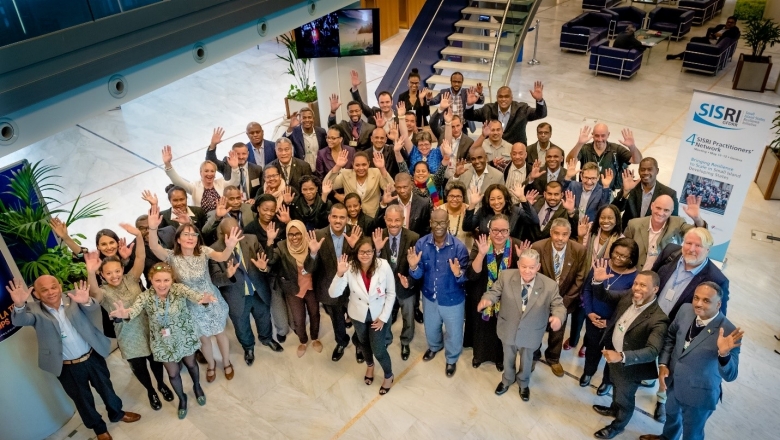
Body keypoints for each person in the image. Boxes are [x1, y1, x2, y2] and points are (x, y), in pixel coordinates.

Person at [8, 277, 142, 439]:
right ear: (36, 293)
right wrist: (19, 305)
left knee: (107, 388)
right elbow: (19, 320)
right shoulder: (33, 310)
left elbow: (93, 310)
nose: (51, 292)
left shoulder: (73, 297)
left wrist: (86, 302)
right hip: (67, 367)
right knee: (82, 400)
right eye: (44, 290)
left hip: (92, 357)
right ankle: (99, 429)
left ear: (59, 286)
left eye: (53, 287)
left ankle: (117, 413)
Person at [108, 263, 216, 420]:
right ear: (151, 279)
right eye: (158, 280)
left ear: (172, 279)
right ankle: (182, 399)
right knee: (173, 374)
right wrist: (125, 314)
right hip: (163, 343)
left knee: (192, 365)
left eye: (166, 280)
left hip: (184, 337)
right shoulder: (145, 297)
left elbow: (196, 296)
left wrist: (203, 299)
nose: (162, 284)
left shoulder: (179, 290)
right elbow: (135, 309)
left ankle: (197, 387)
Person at [84, 224, 172, 411]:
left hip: (148, 326)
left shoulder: (132, 277)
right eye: (108, 273)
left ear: (122, 269)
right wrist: (90, 272)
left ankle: (161, 384)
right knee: (139, 366)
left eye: (117, 271)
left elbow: (140, 257)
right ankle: (150, 391)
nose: (114, 276)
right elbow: (93, 293)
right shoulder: (103, 292)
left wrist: (139, 236)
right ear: (102, 274)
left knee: (156, 360)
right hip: (127, 335)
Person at [639, 283, 742, 440]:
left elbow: (731, 375)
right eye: (696, 298)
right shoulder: (686, 310)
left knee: (692, 433)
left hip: (699, 394)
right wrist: (663, 363)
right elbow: (671, 337)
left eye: (706, 300)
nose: (699, 304)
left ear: (718, 304)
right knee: (672, 417)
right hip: (673, 383)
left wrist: (724, 354)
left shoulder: (729, 331)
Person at [146, 205, 236, 383]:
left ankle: (226, 362)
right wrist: (152, 228)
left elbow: (222, 257)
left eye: (193, 234)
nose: (190, 237)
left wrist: (230, 247)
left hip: (211, 300)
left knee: (220, 333)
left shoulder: (203, 252)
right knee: (204, 339)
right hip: (191, 305)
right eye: (185, 234)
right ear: (178, 239)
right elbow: (154, 246)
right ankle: (211, 364)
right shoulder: (172, 257)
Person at [589, 265, 670, 440]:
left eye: (643, 286)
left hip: (630, 367)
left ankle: (617, 426)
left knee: (625, 399)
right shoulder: (629, 296)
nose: (637, 288)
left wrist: (622, 356)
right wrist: (598, 282)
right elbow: (604, 296)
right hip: (613, 357)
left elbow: (652, 351)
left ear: (655, 289)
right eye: (636, 284)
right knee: (616, 389)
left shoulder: (659, 319)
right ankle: (613, 408)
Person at [478, 248, 566, 401]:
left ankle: (523, 384)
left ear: (538, 267)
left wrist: (558, 317)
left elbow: (558, 306)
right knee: (508, 357)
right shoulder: (506, 276)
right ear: (518, 264)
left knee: (527, 361)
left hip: (532, 331)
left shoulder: (550, 285)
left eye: (531, 267)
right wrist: (488, 299)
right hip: (508, 328)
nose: (527, 271)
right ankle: (507, 380)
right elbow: (494, 291)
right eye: (524, 266)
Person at [208, 217, 282, 367]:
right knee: (242, 326)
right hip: (236, 296)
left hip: (258, 291)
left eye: (238, 232)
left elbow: (265, 260)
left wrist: (263, 267)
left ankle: (266, 338)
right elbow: (216, 280)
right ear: (222, 234)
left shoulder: (251, 239)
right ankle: (248, 348)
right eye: (231, 234)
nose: (236, 237)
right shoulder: (214, 250)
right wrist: (227, 275)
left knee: (264, 317)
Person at [330, 237, 396, 395]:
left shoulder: (383, 265)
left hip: (378, 315)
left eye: (369, 251)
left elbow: (391, 293)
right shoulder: (350, 268)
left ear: (374, 252)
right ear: (356, 252)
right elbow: (333, 293)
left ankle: (389, 375)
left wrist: (383, 317)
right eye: (361, 251)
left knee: (379, 349)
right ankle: (370, 366)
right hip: (358, 315)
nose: (365, 255)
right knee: (363, 343)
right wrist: (339, 274)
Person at [408, 209, 470, 377]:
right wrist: (413, 266)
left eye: (442, 222)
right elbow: (418, 274)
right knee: (431, 327)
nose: (438, 226)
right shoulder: (421, 244)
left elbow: (466, 279)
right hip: (429, 296)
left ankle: (451, 358)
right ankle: (435, 347)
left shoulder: (459, 248)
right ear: (430, 223)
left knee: (454, 332)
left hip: (453, 299)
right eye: (435, 222)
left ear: (448, 224)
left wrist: (458, 274)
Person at [466, 215, 527, 370]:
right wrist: (481, 254)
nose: (499, 234)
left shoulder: (517, 246)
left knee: (502, 329)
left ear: (509, 231)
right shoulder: (481, 243)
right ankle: (479, 356)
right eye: (495, 230)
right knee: (482, 328)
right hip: (482, 294)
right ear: (489, 230)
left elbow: (525, 278)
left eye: (504, 231)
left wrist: (522, 260)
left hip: (506, 299)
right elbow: (473, 275)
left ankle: (500, 359)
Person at [579, 238, 639, 394]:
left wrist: (609, 322)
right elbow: (587, 289)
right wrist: (589, 312)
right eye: (616, 253)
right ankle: (588, 372)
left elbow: (629, 307)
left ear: (632, 259)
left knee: (611, 354)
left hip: (615, 325)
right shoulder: (601, 264)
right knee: (592, 349)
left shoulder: (635, 278)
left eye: (623, 256)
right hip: (593, 318)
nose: (617, 258)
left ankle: (607, 381)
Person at [305, 204, 363, 362]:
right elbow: (309, 268)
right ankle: (341, 342)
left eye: (342, 217)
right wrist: (313, 253)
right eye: (335, 216)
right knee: (337, 319)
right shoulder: (317, 235)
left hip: (352, 288)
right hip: (329, 288)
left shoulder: (356, 233)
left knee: (357, 318)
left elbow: (364, 261)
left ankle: (359, 343)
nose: (338, 220)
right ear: (329, 217)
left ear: (347, 218)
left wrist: (353, 247)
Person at [530, 218, 588, 377]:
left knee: (558, 331)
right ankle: (533, 355)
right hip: (539, 300)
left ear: (570, 234)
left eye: (564, 234)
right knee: (536, 329)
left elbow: (580, 278)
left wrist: (565, 301)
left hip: (564, 300)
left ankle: (553, 358)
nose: (560, 238)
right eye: (556, 233)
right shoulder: (538, 247)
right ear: (551, 233)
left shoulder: (579, 250)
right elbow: (532, 275)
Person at [263, 220, 323, 357]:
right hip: (293, 289)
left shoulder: (311, 244)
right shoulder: (281, 246)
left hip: (312, 287)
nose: (294, 238)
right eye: (291, 234)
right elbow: (271, 260)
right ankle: (303, 341)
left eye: (298, 234)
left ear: (303, 233)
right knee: (298, 318)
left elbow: (314, 268)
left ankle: (315, 338)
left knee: (314, 314)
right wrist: (270, 241)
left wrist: (313, 253)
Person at [372, 205, 420, 360]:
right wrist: (377, 251)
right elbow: (370, 264)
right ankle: (386, 339)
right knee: (385, 316)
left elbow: (417, 266)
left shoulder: (414, 237)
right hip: (384, 289)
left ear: (403, 220)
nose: (393, 224)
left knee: (408, 316)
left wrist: (410, 281)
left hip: (405, 287)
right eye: (390, 220)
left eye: (397, 220)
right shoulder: (378, 236)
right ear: (385, 220)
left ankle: (405, 341)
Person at [623, 194, 706, 270]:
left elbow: (698, 235)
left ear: (671, 211)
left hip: (659, 277)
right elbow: (623, 248)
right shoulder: (634, 224)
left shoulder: (678, 223)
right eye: (658, 208)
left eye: (666, 210)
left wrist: (697, 219)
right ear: (652, 206)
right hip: (632, 273)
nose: (660, 213)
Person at [464, 82, 547, 145]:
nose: (503, 99)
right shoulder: (488, 109)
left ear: (511, 98)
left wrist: (539, 100)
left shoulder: (522, 109)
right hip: (492, 150)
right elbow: (469, 116)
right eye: (500, 96)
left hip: (515, 152)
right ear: (496, 98)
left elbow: (541, 114)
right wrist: (470, 105)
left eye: (506, 96)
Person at [163, 145, 240, 213]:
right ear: (201, 173)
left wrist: (235, 168)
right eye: (206, 171)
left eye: (212, 171)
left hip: (222, 219)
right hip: (202, 223)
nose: (209, 174)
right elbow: (178, 182)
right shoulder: (195, 187)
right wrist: (168, 165)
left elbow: (235, 183)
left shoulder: (221, 183)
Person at [566, 124, 642, 191]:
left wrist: (632, 147)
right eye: (596, 136)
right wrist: (579, 144)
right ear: (592, 135)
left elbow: (637, 160)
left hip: (607, 191)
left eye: (603, 136)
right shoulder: (585, 148)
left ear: (608, 135)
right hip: (586, 190)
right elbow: (570, 161)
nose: (600, 139)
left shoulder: (616, 149)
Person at [612, 157, 679, 229]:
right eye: (643, 169)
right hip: (628, 234)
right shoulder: (631, 186)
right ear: (639, 171)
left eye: (650, 169)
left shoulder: (669, 194)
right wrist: (626, 191)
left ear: (657, 171)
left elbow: (673, 221)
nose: (646, 172)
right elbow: (615, 210)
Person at [326, 150, 393, 216]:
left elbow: (392, 188)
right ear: (353, 165)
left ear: (369, 164)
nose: (361, 168)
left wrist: (382, 168)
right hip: (351, 216)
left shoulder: (376, 172)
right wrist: (337, 166)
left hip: (372, 217)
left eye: (364, 165)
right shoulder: (345, 174)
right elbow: (326, 184)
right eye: (357, 165)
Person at [463, 183, 539, 241]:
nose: (496, 202)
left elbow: (534, 220)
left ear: (505, 198)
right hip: (486, 251)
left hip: (510, 251)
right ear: (488, 201)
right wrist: (472, 204)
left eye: (499, 198)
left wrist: (522, 198)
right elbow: (467, 227)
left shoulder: (516, 211)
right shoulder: (483, 211)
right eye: (492, 199)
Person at [206, 129, 264, 199]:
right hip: (231, 204)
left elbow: (261, 189)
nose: (241, 157)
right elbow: (211, 161)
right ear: (232, 153)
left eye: (244, 154)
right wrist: (213, 145)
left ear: (248, 154)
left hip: (250, 205)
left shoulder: (257, 169)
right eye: (238, 154)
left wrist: (254, 199)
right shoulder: (226, 165)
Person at [399, 101, 449, 174]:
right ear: (417, 145)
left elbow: (447, 142)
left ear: (431, 144)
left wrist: (448, 123)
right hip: (414, 184)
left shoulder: (437, 152)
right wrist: (401, 117)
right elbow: (405, 137)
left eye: (426, 144)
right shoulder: (413, 152)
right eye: (421, 145)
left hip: (433, 185)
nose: (424, 147)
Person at [667, 16, 740, 60]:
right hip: (709, 40)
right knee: (693, 39)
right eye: (728, 22)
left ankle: (678, 56)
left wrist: (717, 35)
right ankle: (684, 55)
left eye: (731, 22)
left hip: (715, 45)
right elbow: (712, 32)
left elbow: (728, 35)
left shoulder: (734, 30)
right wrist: (713, 35)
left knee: (695, 45)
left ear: (735, 23)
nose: (729, 24)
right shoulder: (720, 26)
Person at [145, 186, 212, 234]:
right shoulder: (163, 216)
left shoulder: (198, 211)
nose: (179, 203)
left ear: (186, 198)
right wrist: (154, 206)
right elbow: (157, 234)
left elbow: (205, 233)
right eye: (175, 200)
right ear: (169, 201)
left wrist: (190, 224)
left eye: (182, 199)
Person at [390, 172, 433, 238]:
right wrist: (383, 204)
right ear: (395, 186)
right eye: (399, 187)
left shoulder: (423, 204)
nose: (402, 191)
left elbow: (425, 231)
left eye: (405, 187)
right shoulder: (390, 201)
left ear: (411, 185)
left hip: (415, 243)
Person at [440, 180, 474, 252]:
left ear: (463, 198)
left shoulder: (469, 211)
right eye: (452, 196)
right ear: (446, 197)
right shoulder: (439, 211)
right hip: (443, 253)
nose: (455, 199)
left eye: (458, 196)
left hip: (466, 253)